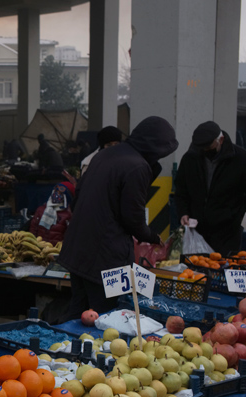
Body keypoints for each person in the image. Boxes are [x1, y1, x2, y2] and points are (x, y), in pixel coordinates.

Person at [58, 116, 178, 318]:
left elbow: (77, 198)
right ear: (155, 146)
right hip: (105, 258)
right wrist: (151, 236)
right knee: (104, 320)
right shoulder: (137, 166)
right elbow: (132, 218)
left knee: (78, 315)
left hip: (77, 251)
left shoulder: (105, 155)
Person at [174, 121, 246, 255]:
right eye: (201, 148)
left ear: (220, 140)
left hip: (228, 231)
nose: (205, 151)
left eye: (208, 147)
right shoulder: (190, 158)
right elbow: (181, 190)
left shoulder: (241, 158)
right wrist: (184, 212)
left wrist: (239, 217)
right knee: (195, 269)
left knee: (224, 267)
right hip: (196, 228)